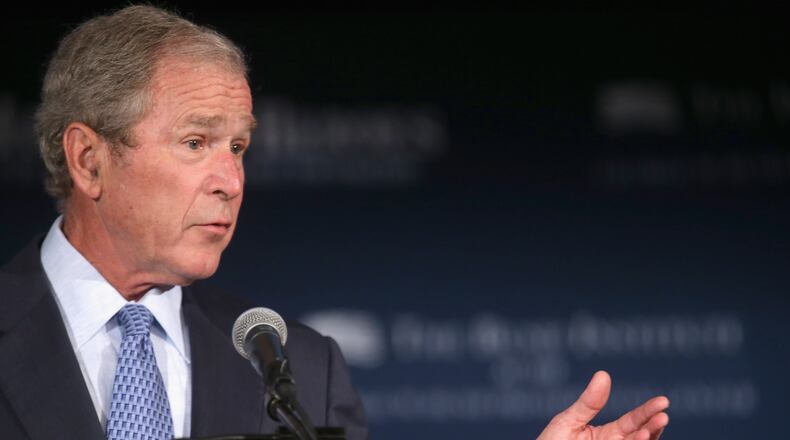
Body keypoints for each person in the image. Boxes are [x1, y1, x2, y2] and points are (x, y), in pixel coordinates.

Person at [0, 5, 668, 440]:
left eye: (239, 147)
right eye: (196, 142)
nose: (230, 179)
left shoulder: (299, 369)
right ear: (89, 160)